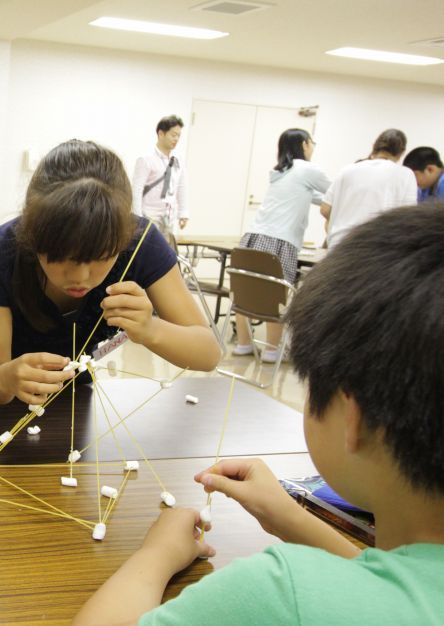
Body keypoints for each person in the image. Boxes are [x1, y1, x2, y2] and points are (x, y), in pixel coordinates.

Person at [74, 203, 444, 625]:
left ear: (353, 419)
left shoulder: (283, 593)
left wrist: (155, 556)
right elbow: (393, 588)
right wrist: (290, 518)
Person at [0, 140, 221, 405]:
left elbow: (208, 354)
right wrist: (6, 378)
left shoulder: (141, 242)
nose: (80, 277)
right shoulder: (0, 251)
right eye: (61, 257)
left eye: (101, 257)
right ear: (33, 235)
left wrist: (151, 329)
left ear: (123, 239)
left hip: (68, 375)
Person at [233, 128, 330, 362]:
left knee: (245, 292)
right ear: (305, 144)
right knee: (274, 296)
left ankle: (244, 344)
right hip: (280, 241)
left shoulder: (281, 171)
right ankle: (271, 350)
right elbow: (337, 191)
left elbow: (314, 197)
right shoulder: (306, 169)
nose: (313, 147)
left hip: (252, 237)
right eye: (312, 143)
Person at [320, 129, 416, 248]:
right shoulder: (405, 175)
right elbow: (406, 218)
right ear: (401, 152)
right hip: (376, 247)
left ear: (374, 147)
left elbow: (325, 209)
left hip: (340, 243)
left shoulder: (348, 170)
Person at [132, 115, 188, 244]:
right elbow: (137, 189)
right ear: (161, 133)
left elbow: (181, 186)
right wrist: (138, 218)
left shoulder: (177, 160)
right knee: (149, 251)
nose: (176, 139)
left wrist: (183, 213)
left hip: (168, 217)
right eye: (173, 135)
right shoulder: (146, 159)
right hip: (149, 216)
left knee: (165, 254)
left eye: (179, 135)